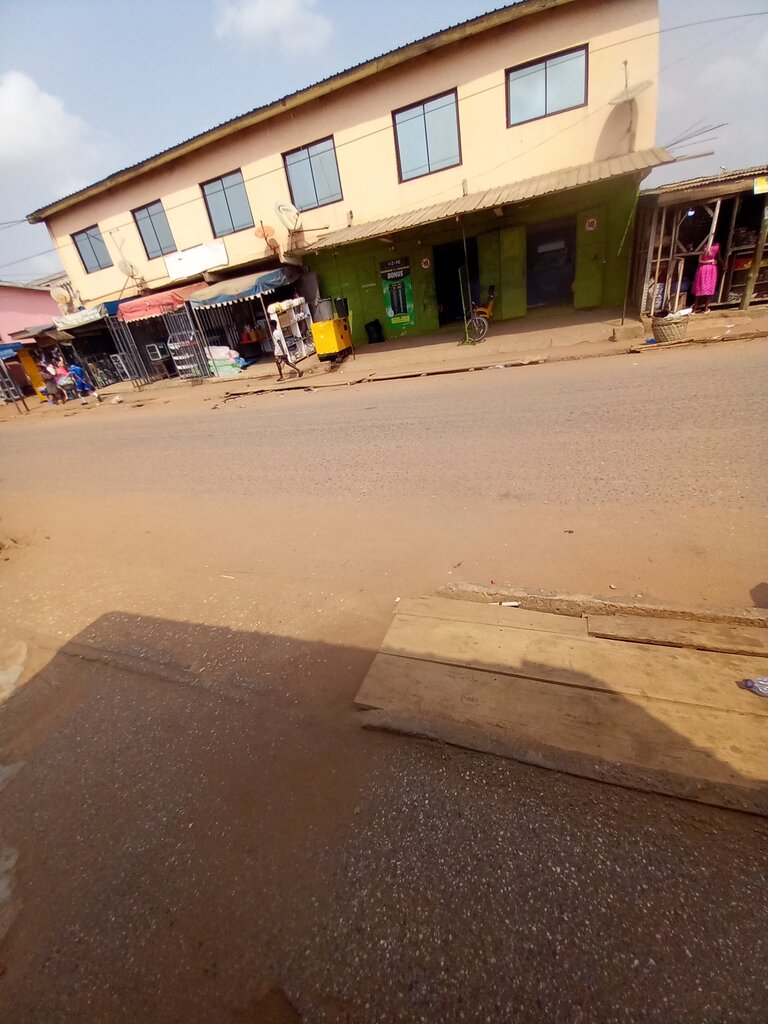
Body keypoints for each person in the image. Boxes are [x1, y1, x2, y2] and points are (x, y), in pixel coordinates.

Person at [692, 241, 720, 313]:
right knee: (707, 289)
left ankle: (696, 309)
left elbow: (700, 260)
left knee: (700, 289)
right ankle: (705, 309)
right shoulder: (716, 246)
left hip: (704, 269)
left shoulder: (704, 246)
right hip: (710, 269)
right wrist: (710, 261)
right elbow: (700, 260)